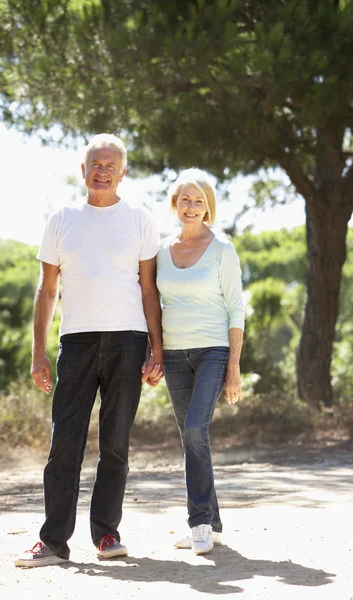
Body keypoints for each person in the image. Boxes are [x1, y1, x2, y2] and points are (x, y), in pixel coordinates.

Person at [15, 133, 163, 567]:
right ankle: (54, 541)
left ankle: (106, 534)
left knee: (116, 444)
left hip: (129, 340)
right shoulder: (61, 219)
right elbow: (47, 290)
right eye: (94, 164)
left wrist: (157, 348)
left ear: (122, 173)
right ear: (83, 171)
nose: (101, 171)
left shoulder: (140, 219)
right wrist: (37, 352)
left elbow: (149, 290)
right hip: (76, 343)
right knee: (65, 442)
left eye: (110, 165)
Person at [156, 168, 244, 555]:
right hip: (174, 353)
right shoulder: (160, 250)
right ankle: (214, 522)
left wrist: (234, 366)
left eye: (199, 201)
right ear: (175, 204)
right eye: (185, 199)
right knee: (191, 437)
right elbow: (153, 305)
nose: (191, 207)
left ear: (208, 207)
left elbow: (236, 310)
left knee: (194, 429)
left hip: (213, 350)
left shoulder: (222, 249)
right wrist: (153, 351)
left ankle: (199, 523)